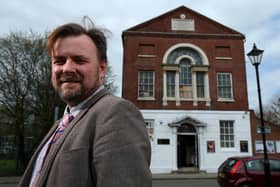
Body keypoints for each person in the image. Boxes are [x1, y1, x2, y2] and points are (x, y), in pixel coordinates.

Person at [19, 22, 152, 187]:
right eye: (59, 61)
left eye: (79, 60)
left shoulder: (117, 113)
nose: (67, 68)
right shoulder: (60, 124)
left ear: (102, 69)